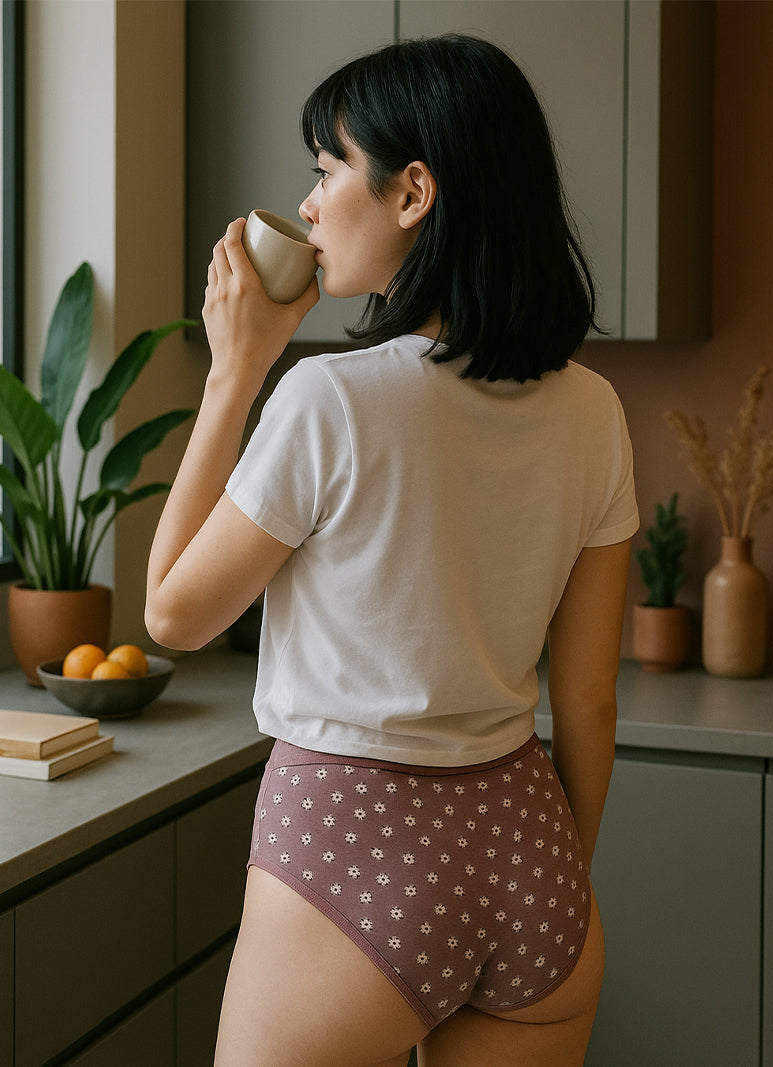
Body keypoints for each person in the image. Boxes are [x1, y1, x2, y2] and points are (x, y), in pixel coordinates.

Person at [146, 34, 638, 1067]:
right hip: (528, 846)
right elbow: (586, 702)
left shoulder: (328, 397)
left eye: (329, 169)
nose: (310, 203)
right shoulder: (594, 409)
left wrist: (236, 371)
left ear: (413, 191)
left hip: (352, 841)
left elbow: (171, 616)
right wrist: (555, 873)